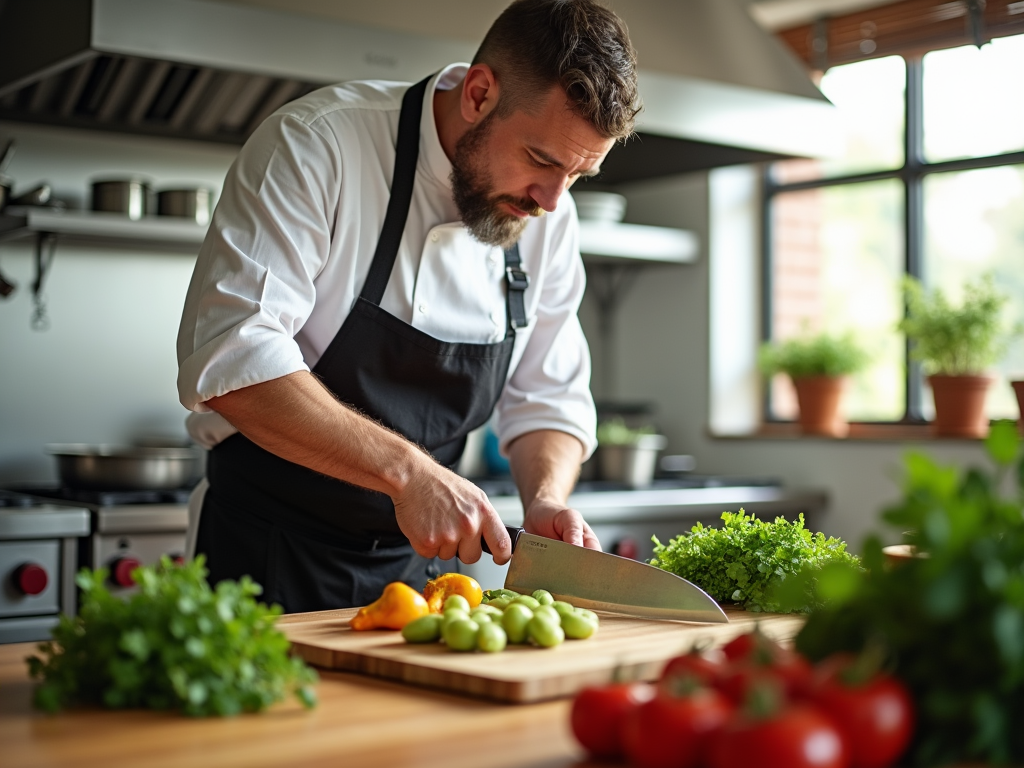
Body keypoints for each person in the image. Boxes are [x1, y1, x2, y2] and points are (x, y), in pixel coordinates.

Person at [175, 0, 640, 613]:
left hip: (429, 581)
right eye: (543, 160)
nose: (553, 201)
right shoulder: (320, 147)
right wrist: (408, 475)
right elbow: (233, 361)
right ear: (478, 93)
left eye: (580, 174)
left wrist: (546, 499)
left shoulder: (547, 216)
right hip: (269, 560)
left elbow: (547, 397)